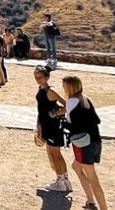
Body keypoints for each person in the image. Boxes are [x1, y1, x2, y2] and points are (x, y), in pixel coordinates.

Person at [63, 75, 107, 210]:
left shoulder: (71, 102)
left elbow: (70, 122)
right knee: (76, 167)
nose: (63, 88)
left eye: (64, 86)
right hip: (95, 141)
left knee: (93, 179)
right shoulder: (85, 99)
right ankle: (90, 202)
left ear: (70, 87)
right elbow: (96, 120)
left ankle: (103, 208)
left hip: (83, 144)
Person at [34, 65, 72, 193]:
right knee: (55, 154)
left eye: (40, 77)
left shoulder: (50, 92)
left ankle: (60, 182)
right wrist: (38, 127)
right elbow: (41, 110)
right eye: (36, 77)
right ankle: (65, 181)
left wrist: (56, 114)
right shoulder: (41, 90)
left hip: (54, 127)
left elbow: (67, 105)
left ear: (47, 77)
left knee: (55, 155)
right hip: (46, 126)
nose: (37, 79)